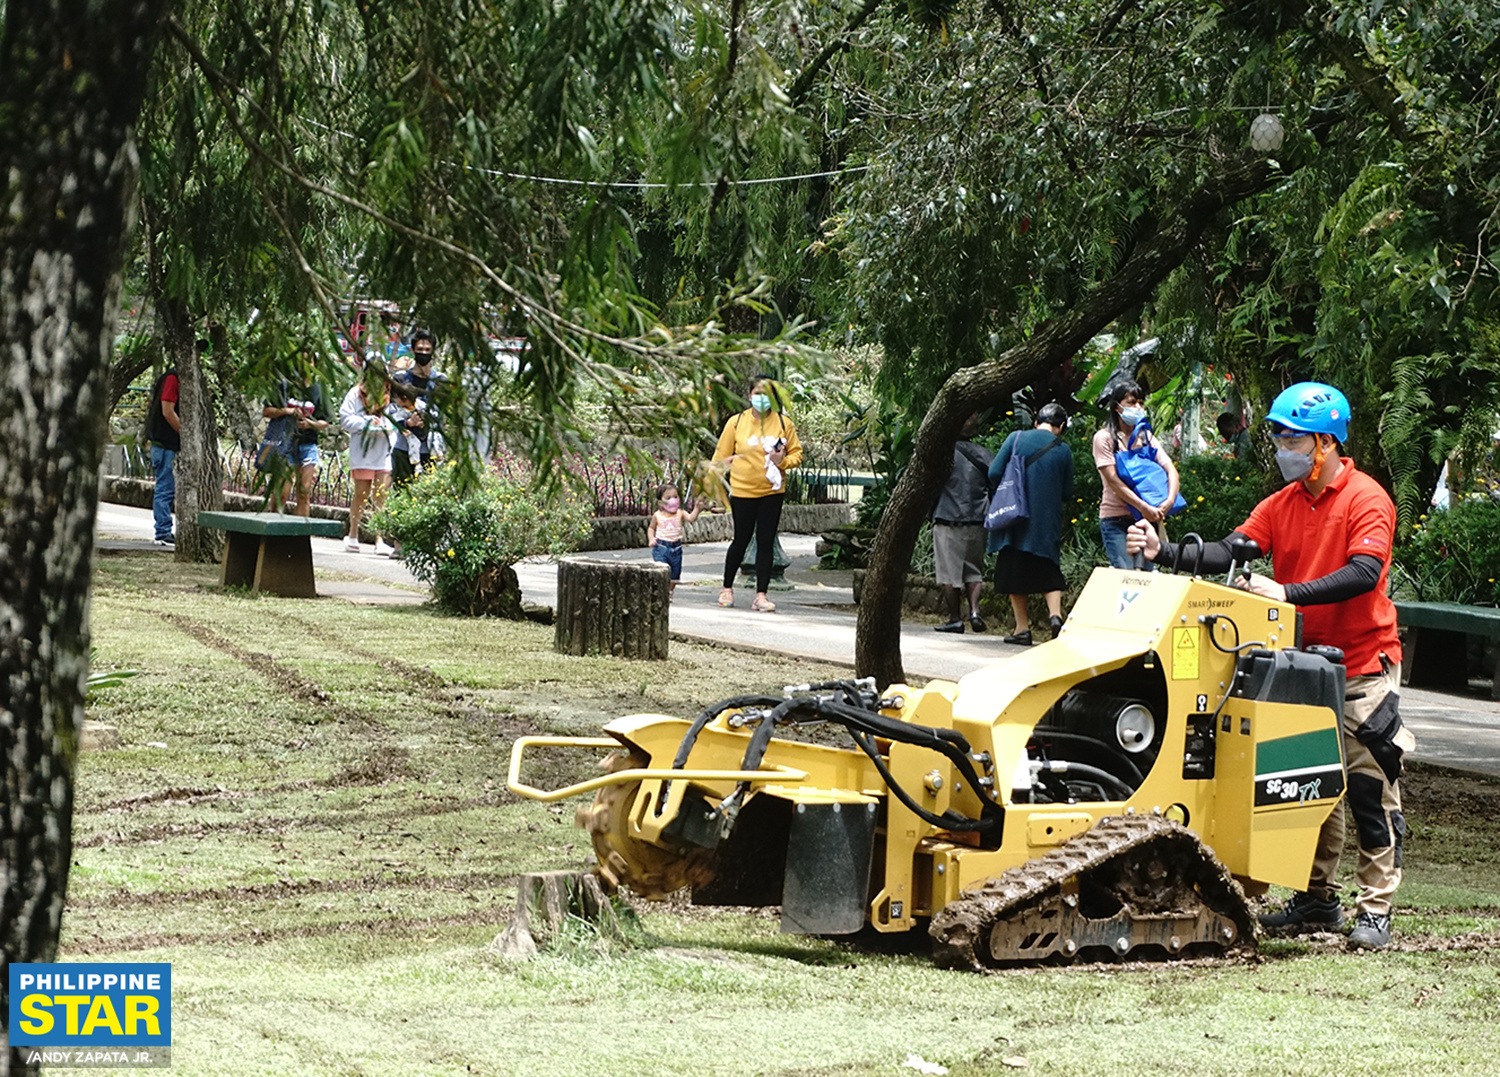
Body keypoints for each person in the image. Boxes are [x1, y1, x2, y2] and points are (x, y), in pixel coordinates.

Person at [1126, 381, 1414, 951]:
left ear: (1326, 443)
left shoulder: (1367, 499)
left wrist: (1284, 592)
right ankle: (1316, 898)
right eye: (1278, 435)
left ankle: (1375, 908)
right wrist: (1167, 551)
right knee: (1309, 782)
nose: (1281, 446)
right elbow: (1231, 550)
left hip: (1361, 665)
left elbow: (1362, 574)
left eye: (1291, 437)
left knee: (1367, 787)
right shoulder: (1281, 504)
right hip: (1301, 664)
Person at [713, 375, 802, 613]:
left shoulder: (784, 424)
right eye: (757, 393)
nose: (761, 398)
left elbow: (797, 455)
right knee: (740, 539)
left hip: (771, 492)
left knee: (766, 541)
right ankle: (726, 588)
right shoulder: (736, 422)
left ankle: (761, 595)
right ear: (749, 395)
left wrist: (782, 461)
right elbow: (719, 458)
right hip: (742, 491)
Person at [989, 403, 1074, 645]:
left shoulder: (1016, 438)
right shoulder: (1063, 450)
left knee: (1014, 571)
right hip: (1046, 520)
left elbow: (994, 472)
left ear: (1037, 422)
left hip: (1015, 516)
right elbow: (1067, 492)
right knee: (1048, 568)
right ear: (1059, 428)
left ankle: (1022, 629)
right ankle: (1055, 616)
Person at [1092, 380, 1179, 570]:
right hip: (1116, 519)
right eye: (1132, 402)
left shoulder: (1146, 438)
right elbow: (1113, 481)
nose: (1138, 407)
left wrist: (1169, 501)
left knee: (1147, 578)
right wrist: (1143, 506)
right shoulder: (1104, 438)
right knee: (1127, 576)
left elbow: (1170, 469)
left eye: (1141, 402)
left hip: (1146, 519)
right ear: (1117, 407)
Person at [931, 415, 994, 633]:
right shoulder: (985, 454)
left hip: (948, 518)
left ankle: (955, 619)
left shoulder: (943, 454)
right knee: (974, 571)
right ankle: (975, 612)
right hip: (978, 519)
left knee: (950, 573)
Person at [340, 357, 397, 556]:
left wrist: (386, 426)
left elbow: (396, 420)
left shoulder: (390, 393)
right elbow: (345, 419)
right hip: (363, 452)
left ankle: (379, 539)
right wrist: (366, 422)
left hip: (383, 451)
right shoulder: (355, 394)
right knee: (361, 494)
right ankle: (353, 534)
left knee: (381, 496)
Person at [262, 374, 332, 517]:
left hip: (308, 445)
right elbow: (267, 411)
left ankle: (300, 536)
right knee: (282, 492)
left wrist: (310, 424)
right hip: (285, 443)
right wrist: (287, 411)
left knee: (304, 492)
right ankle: (274, 531)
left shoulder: (318, 390)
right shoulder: (283, 387)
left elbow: (324, 422)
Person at [391, 329, 445, 485]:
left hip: (432, 448)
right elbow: (390, 412)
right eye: (420, 349)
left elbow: (444, 413)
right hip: (404, 448)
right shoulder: (400, 379)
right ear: (413, 350)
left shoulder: (440, 381)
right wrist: (408, 423)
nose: (424, 353)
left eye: (427, 350)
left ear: (433, 350)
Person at [145, 361, 182, 547]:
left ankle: (164, 530)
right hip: (165, 444)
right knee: (165, 489)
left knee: (167, 489)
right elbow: (168, 410)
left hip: (167, 444)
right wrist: (186, 434)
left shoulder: (179, 378)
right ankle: (163, 532)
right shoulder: (172, 378)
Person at [647, 483, 703, 598]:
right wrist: (651, 539)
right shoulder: (657, 515)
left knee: (675, 574)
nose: (673, 500)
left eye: (675, 497)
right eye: (668, 498)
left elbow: (691, 518)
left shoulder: (680, 513)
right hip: (661, 547)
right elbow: (651, 528)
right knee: (661, 571)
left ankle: (669, 591)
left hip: (676, 548)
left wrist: (697, 508)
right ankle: (660, 592)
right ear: (660, 502)